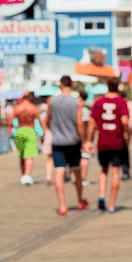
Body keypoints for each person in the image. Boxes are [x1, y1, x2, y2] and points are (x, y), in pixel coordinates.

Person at [86, 77, 130, 213]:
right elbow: (125, 122)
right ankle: (111, 204)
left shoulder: (98, 102)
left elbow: (92, 124)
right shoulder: (121, 102)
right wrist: (127, 134)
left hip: (102, 142)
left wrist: (89, 140)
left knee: (103, 170)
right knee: (115, 171)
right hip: (117, 141)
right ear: (118, 86)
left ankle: (101, 196)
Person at [46, 76, 88, 215]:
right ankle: (80, 200)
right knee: (77, 171)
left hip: (57, 141)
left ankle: (62, 206)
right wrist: (84, 141)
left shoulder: (52, 101)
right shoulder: (77, 101)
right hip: (73, 141)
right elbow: (80, 123)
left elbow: (47, 119)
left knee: (59, 171)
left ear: (60, 85)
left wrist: (51, 131)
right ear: (72, 85)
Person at [8, 91, 43, 185]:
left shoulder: (17, 108)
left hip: (20, 131)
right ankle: (27, 175)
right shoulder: (33, 107)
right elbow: (39, 121)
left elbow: (10, 122)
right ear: (30, 97)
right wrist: (43, 133)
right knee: (29, 155)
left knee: (22, 155)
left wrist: (10, 130)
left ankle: (23, 175)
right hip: (30, 130)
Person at [78, 91, 92, 186]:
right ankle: (83, 178)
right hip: (85, 136)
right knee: (84, 157)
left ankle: (70, 176)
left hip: (74, 135)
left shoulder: (76, 108)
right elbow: (89, 124)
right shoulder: (87, 109)